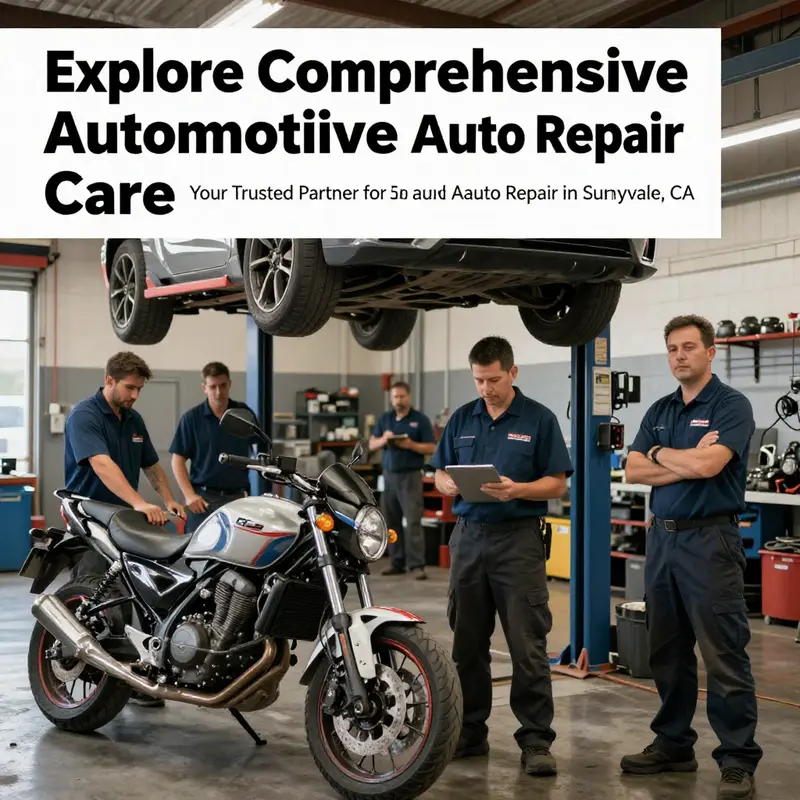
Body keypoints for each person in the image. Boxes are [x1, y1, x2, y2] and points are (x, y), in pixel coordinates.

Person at [621, 314, 761, 800]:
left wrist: (665, 458)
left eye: (688, 347)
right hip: (662, 540)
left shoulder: (731, 406)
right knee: (667, 650)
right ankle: (674, 743)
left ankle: (738, 757)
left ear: (710, 352)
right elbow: (633, 470)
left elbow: (711, 463)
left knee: (723, 651)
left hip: (710, 543)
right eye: (672, 349)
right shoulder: (660, 409)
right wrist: (673, 457)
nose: (679, 355)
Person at [429, 336, 572, 776]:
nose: (486, 388)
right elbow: (438, 470)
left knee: (527, 645)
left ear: (513, 372)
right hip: (469, 539)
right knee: (468, 645)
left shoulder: (539, 420)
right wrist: (445, 484)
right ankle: (471, 734)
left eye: (493, 379)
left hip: (518, 541)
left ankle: (535, 741)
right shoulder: (462, 419)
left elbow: (558, 484)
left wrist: (519, 489)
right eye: (478, 380)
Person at [64, 350, 186, 708]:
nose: (134, 395)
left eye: (139, 390)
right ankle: (88, 673)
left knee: (138, 594)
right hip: (89, 516)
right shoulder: (84, 415)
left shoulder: (133, 419)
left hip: (123, 520)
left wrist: (168, 498)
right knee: (93, 597)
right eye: (129, 388)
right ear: (109, 381)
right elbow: (101, 464)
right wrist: (139, 503)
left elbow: (151, 464)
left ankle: (135, 676)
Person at [170, 361, 259, 533]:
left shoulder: (244, 414)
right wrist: (189, 495)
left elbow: (261, 450)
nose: (219, 392)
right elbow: (177, 460)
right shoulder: (192, 419)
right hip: (203, 501)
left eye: (223, 385)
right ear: (204, 388)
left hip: (238, 499)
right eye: (213, 387)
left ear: (230, 385)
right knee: (196, 552)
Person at [369, 381, 436, 580]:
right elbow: (372, 444)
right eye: (395, 397)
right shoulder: (385, 419)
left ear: (409, 397)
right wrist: (385, 439)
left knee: (413, 520)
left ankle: (416, 565)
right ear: (392, 399)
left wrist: (410, 444)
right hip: (389, 476)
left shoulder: (420, 420)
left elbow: (432, 447)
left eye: (402, 396)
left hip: (411, 476)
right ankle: (396, 561)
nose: (399, 400)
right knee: (391, 522)